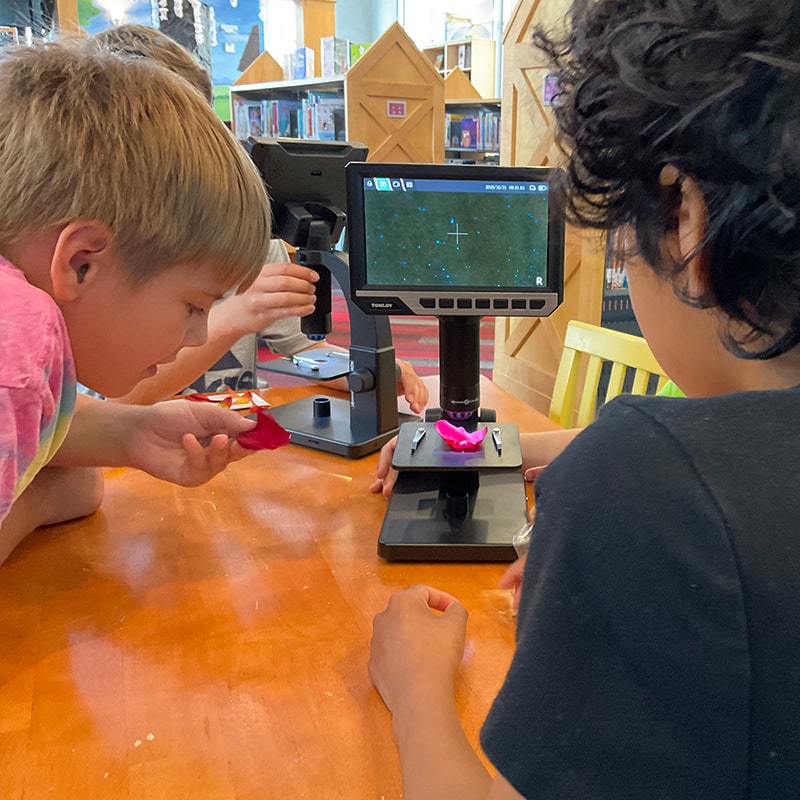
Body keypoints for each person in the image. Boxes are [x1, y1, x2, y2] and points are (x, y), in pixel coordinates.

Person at [368, 0, 800, 797]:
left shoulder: (648, 483)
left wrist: (415, 685)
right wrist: (534, 459)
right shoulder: (672, 476)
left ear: (684, 219)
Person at [0, 38, 276, 567]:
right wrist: (43, 498)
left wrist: (131, 434)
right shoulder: (21, 331)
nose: (199, 336)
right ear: (81, 263)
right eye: (195, 307)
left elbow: (56, 451)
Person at [89, 24, 428, 414]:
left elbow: (301, 347)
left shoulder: (253, 234)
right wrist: (233, 316)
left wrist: (371, 369)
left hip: (226, 439)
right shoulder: (99, 257)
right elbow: (106, 407)